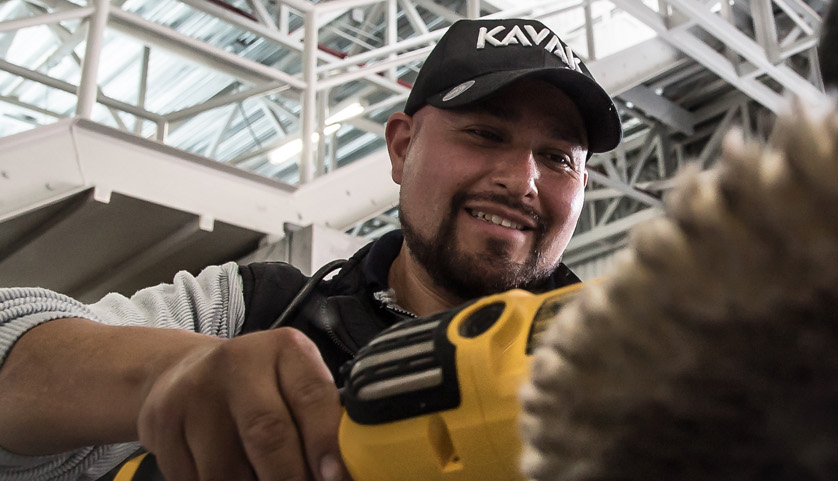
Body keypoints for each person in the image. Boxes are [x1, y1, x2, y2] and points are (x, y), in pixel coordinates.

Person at [0, 17, 620, 481]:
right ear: (402, 148)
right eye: (485, 133)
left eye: (558, 157)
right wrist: (171, 373)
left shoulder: (636, 364)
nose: (523, 179)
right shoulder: (250, 309)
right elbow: (16, 352)